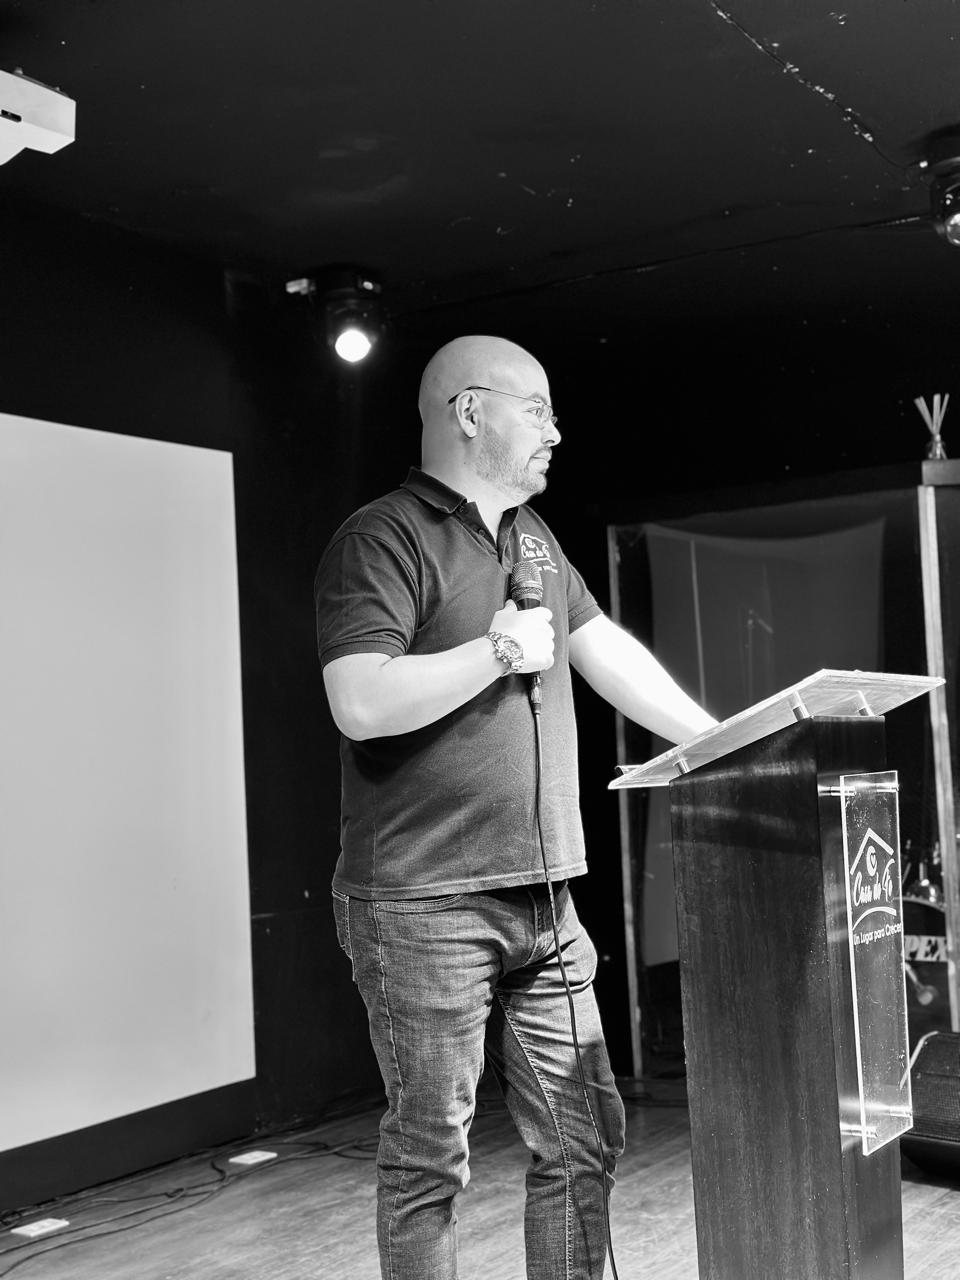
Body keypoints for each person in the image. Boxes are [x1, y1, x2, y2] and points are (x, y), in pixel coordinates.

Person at [314, 335, 716, 1280]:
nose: (555, 432)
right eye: (536, 410)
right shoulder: (381, 538)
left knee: (584, 1137)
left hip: (544, 897)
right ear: (469, 411)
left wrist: (723, 738)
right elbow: (359, 701)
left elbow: (603, 650)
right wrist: (496, 651)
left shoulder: (535, 537)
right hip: (421, 904)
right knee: (430, 1159)